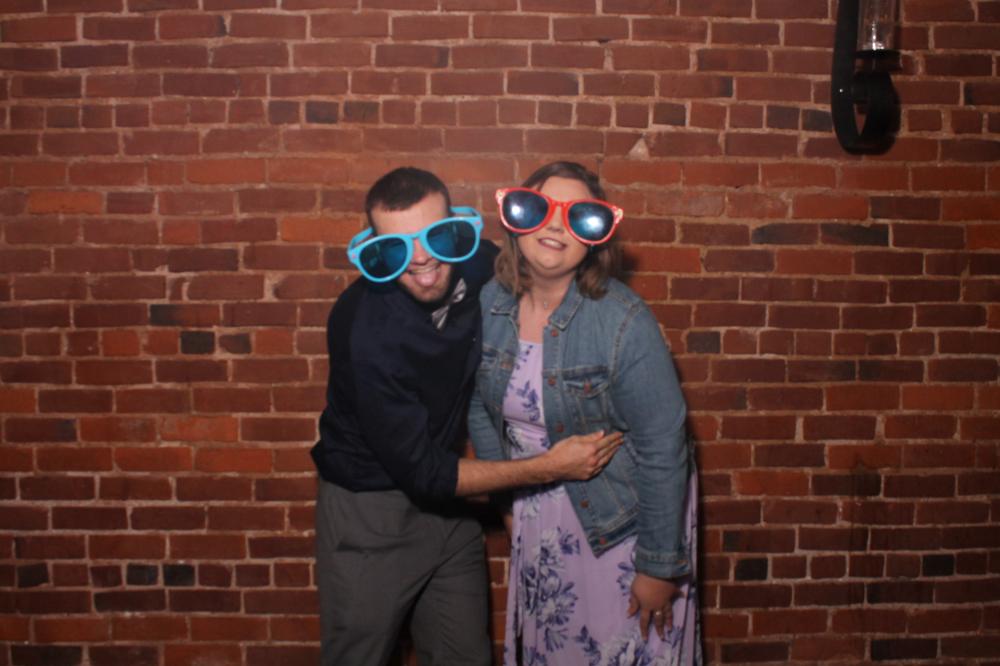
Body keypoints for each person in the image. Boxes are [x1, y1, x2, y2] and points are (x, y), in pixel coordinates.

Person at [311, 166, 624, 666]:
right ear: (375, 248)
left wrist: (624, 336)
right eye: (396, 247)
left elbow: (554, 282)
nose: (421, 259)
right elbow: (423, 472)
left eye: (435, 236)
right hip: (369, 512)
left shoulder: (480, 266)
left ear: (455, 228)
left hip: (449, 508)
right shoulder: (363, 328)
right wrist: (550, 466)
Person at [468, 161, 701, 665]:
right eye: (538, 208)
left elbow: (664, 444)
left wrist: (657, 567)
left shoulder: (623, 321)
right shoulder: (489, 304)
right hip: (538, 518)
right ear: (515, 220)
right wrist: (508, 504)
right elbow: (480, 409)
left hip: (622, 524)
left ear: (595, 239)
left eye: (578, 216)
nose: (555, 225)